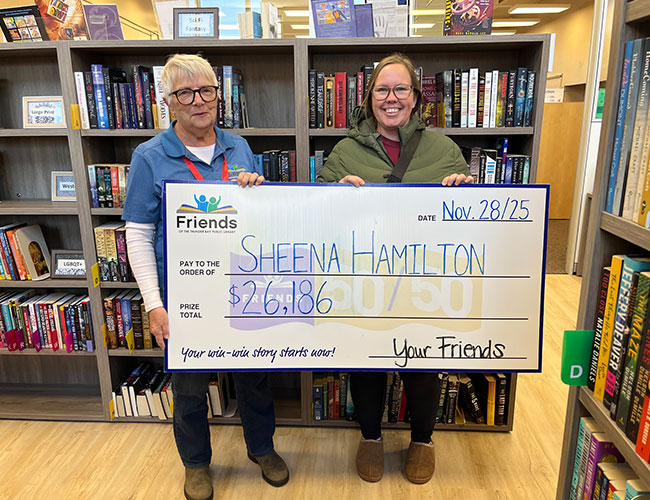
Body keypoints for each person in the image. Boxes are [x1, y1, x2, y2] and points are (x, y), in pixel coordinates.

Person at [122, 54, 287, 500]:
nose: (198, 101)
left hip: (242, 287)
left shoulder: (239, 147)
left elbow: (257, 221)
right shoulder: (149, 157)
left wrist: (258, 193)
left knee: (254, 377)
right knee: (190, 387)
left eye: (206, 90)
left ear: (219, 94)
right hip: (185, 297)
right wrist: (155, 305)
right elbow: (137, 234)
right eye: (185, 93)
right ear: (168, 102)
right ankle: (196, 463)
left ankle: (261, 448)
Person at [317, 53, 473, 485]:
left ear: (415, 97)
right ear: (370, 98)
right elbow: (315, 214)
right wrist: (333, 194)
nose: (391, 98)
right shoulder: (346, 151)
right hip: (364, 279)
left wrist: (465, 191)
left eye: (400, 89)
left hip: (426, 280)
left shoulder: (444, 150)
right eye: (382, 90)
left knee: (423, 365)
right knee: (366, 364)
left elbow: (470, 223)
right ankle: (370, 437)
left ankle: (423, 440)